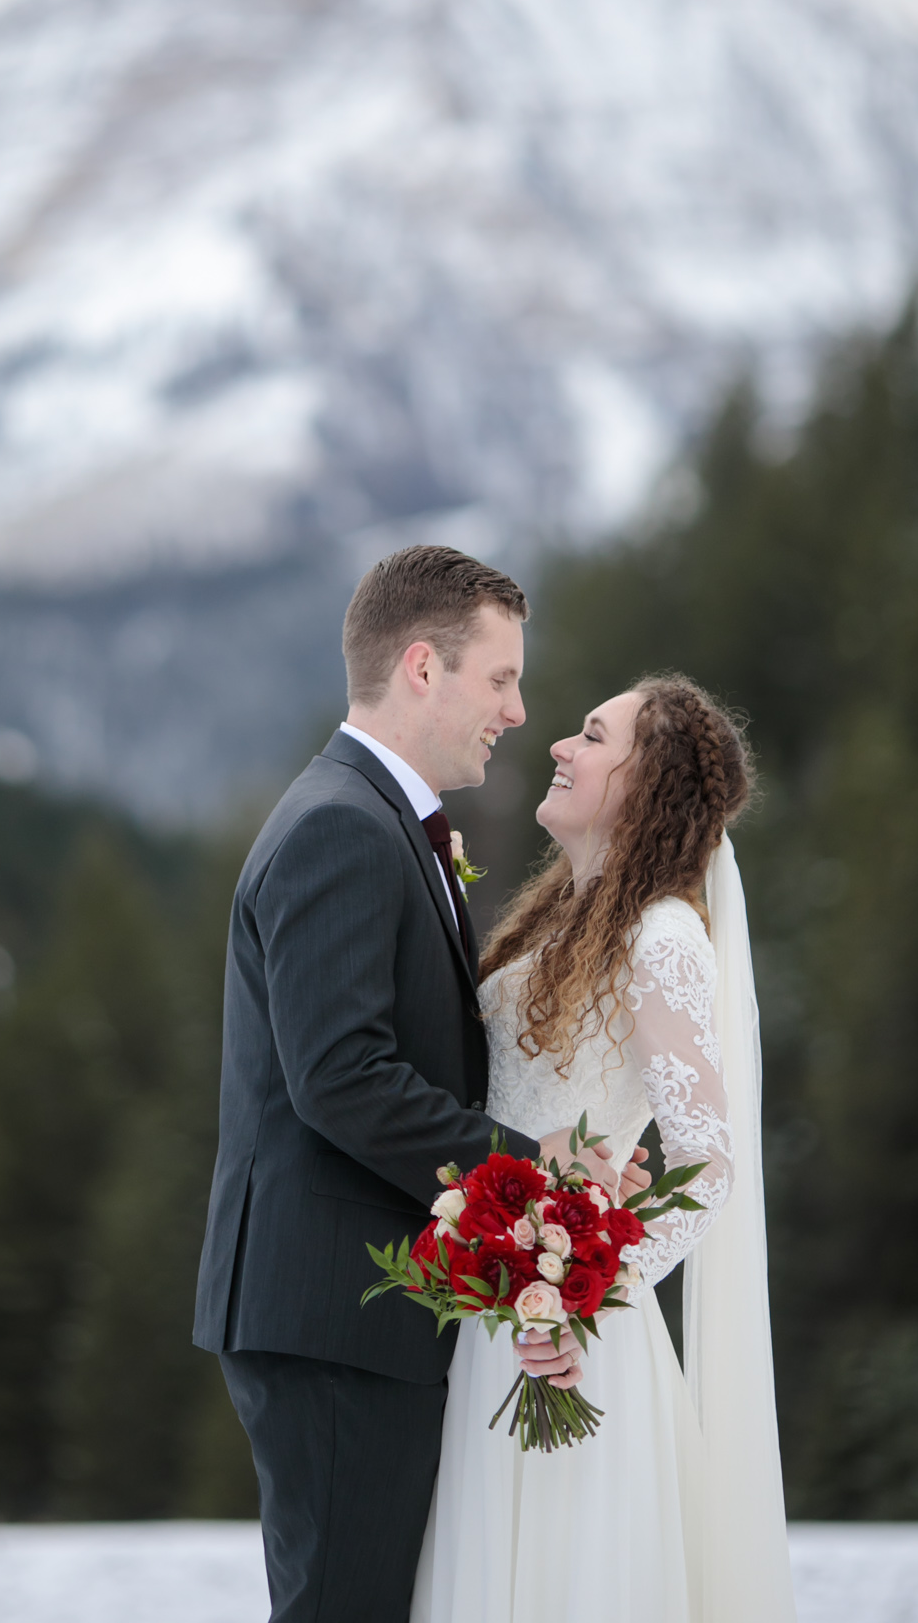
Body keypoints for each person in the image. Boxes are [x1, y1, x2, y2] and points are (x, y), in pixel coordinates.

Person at [193, 546, 650, 1623]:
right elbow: (343, 1080)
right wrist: (535, 1180)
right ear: (421, 669)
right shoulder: (341, 830)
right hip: (335, 1312)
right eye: (500, 679)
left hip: (356, 1308)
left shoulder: (369, 818)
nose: (519, 708)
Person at [411, 674, 797, 1623]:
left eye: (592, 736)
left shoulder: (661, 935)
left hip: (567, 1336)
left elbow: (707, 1165)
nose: (558, 746)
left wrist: (580, 1293)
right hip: (488, 1313)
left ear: (644, 785)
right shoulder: (556, 916)